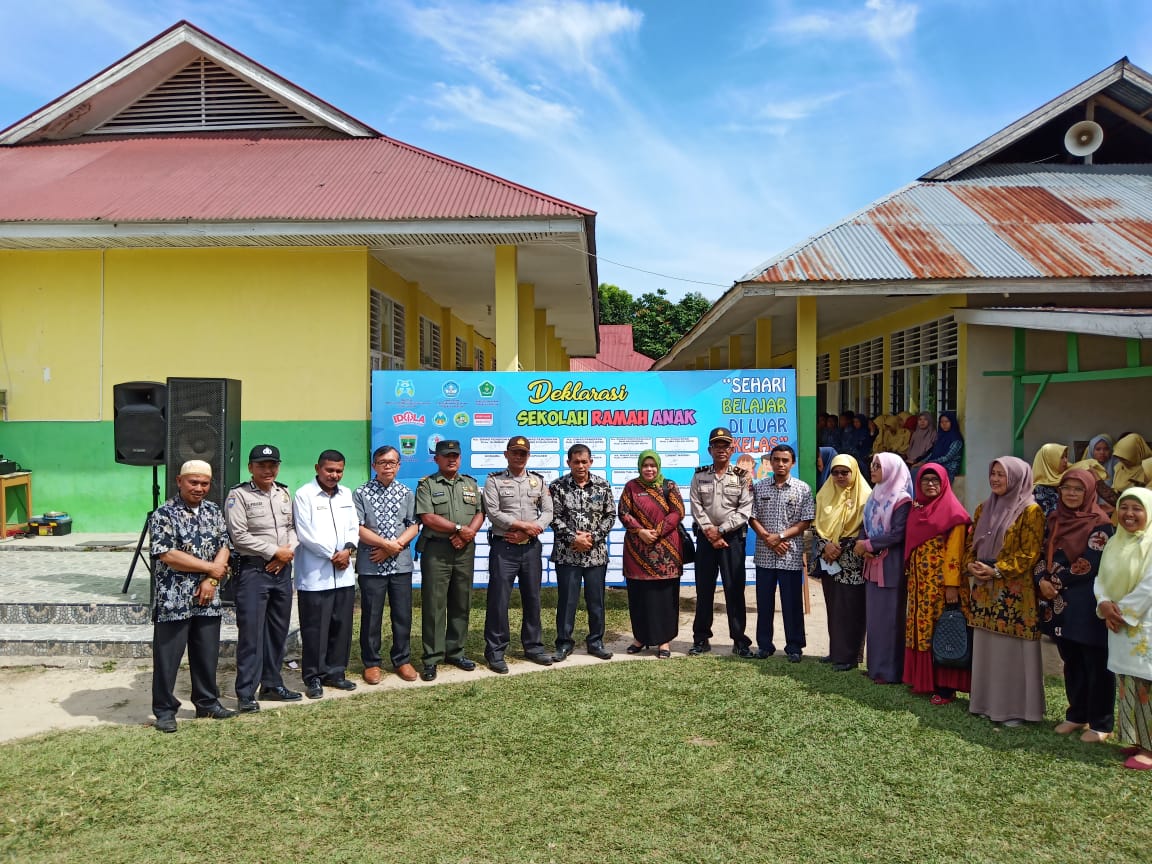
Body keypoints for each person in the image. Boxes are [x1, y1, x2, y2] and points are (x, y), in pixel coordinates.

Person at [150, 460, 236, 732]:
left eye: (204, 483)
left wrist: (211, 578)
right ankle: (164, 710)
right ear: (179, 481)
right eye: (193, 482)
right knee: (168, 657)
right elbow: (167, 554)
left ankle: (206, 703)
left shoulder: (213, 510)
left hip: (207, 596)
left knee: (206, 654)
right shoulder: (164, 513)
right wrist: (211, 568)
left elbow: (225, 544)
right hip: (174, 598)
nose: (199, 488)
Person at [965, 456, 1046, 726]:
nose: (996, 479)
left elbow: (1030, 553)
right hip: (985, 589)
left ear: (1018, 478)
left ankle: (1015, 710)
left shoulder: (1031, 511)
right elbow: (970, 544)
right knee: (987, 648)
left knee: (1011, 651)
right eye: (993, 474)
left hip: (1014, 592)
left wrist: (997, 570)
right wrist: (971, 565)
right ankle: (984, 704)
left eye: (1002, 474)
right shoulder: (983, 508)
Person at [1036, 468, 1115, 742]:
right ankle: (1076, 715)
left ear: (1089, 491)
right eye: (1066, 488)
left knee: (1095, 662)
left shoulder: (1100, 523)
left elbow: (1089, 564)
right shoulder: (1055, 518)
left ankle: (1101, 723)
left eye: (1078, 489)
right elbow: (1040, 552)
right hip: (1059, 602)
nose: (1071, 494)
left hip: (1086, 600)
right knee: (1071, 660)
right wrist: (1040, 580)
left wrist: (1053, 581)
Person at [224, 444, 301, 713]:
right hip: (254, 571)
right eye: (261, 465)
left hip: (281, 570)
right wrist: (274, 552)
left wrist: (286, 553)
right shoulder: (239, 495)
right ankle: (246, 691)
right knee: (251, 635)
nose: (268, 470)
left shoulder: (283, 493)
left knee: (278, 631)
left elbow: (292, 527)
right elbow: (239, 535)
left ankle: (272, 684)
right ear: (250, 468)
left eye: (272, 465)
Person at [414, 440, 485, 681]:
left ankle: (456, 651)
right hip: (438, 550)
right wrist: (458, 529)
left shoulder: (470, 483)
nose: (451, 459)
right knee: (435, 604)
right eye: (446, 456)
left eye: (455, 455)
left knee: (461, 600)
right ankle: (432, 657)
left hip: (464, 549)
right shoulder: (427, 485)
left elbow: (480, 512)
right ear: (437, 459)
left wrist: (467, 534)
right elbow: (427, 517)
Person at [482, 435, 554, 673]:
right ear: (506, 454)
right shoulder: (494, 481)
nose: (519, 456)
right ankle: (495, 651)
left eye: (523, 453)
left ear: (528, 455)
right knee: (499, 600)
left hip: (531, 547)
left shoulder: (538, 481)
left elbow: (548, 512)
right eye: (514, 452)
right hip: (505, 547)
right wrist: (523, 526)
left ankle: (533, 647)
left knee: (532, 598)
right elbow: (492, 512)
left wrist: (532, 532)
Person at [902, 463, 972, 704]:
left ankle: (946, 688)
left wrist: (951, 586)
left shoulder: (954, 513)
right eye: (925, 480)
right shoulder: (917, 510)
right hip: (920, 586)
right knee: (923, 630)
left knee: (944, 630)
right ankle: (925, 681)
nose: (930, 484)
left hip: (942, 587)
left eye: (935, 480)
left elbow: (955, 553)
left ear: (944, 482)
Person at [293, 449, 360, 699]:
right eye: (329, 470)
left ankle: (336, 672)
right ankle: (313, 677)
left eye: (339, 471)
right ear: (317, 468)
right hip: (316, 574)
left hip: (343, 573)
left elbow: (354, 526)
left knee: (341, 625)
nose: (334, 475)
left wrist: (349, 549)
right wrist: (333, 554)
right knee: (314, 629)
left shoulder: (346, 494)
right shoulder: (304, 495)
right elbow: (304, 533)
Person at [1095, 488, 1152, 770]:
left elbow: (1149, 587)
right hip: (1117, 621)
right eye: (1124, 507)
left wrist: (1121, 612)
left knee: (1146, 684)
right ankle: (1136, 739)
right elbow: (1101, 577)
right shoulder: (1115, 541)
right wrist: (1104, 603)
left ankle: (1150, 749)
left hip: (1143, 624)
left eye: (1137, 508)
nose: (1129, 514)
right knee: (1127, 681)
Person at [353, 445, 420, 684]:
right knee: (372, 615)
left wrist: (395, 546)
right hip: (372, 564)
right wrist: (384, 545)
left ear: (399, 465)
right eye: (382, 462)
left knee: (402, 614)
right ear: (374, 465)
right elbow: (358, 528)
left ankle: (402, 659)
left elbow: (414, 524)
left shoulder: (406, 492)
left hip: (400, 565)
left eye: (392, 462)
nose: (387, 466)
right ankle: (371, 663)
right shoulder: (360, 493)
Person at [688, 427, 754, 657]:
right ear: (710, 449)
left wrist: (722, 531)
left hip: (733, 539)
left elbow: (745, 509)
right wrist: (710, 532)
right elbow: (696, 505)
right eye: (717, 445)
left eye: (725, 445)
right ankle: (701, 638)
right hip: (706, 540)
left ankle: (739, 640)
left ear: (732, 449)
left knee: (734, 589)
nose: (721, 450)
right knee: (704, 590)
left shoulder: (741, 476)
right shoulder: (700, 475)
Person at [549, 444, 616, 662]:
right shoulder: (557, 487)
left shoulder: (603, 486)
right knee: (567, 601)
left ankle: (596, 641)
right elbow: (553, 517)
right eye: (576, 461)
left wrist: (592, 538)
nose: (580, 465)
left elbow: (610, 516)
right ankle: (564, 643)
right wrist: (573, 539)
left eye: (584, 461)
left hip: (595, 554)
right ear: (568, 462)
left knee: (596, 601)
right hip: (567, 554)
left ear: (591, 462)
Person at [749, 444, 815, 662]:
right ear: (770, 462)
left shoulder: (802, 488)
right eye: (776, 459)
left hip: (791, 555)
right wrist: (769, 538)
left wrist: (781, 537)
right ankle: (765, 645)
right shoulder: (759, 488)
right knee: (764, 603)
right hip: (765, 555)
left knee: (792, 603)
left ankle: (794, 646)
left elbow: (806, 520)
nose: (780, 464)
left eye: (785, 460)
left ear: (792, 463)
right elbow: (752, 517)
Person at [617, 450, 685, 658]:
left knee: (665, 598)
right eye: (645, 465)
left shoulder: (669, 486)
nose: (649, 469)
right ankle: (640, 638)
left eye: (652, 465)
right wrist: (640, 531)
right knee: (639, 596)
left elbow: (678, 511)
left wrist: (658, 531)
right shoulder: (631, 487)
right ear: (640, 467)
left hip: (666, 552)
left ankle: (664, 641)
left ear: (658, 466)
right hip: (638, 551)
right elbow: (623, 512)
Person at [855, 452, 912, 684]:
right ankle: (875, 668)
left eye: (878, 466)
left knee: (890, 620)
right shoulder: (875, 495)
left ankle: (890, 671)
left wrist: (868, 544)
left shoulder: (902, 499)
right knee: (875, 619)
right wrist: (862, 545)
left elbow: (898, 534)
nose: (873, 469)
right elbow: (865, 523)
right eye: (872, 465)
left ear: (891, 469)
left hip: (891, 565)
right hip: (872, 561)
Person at [810, 454, 869, 671]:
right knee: (833, 606)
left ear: (854, 472)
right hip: (829, 560)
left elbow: (866, 529)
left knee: (851, 608)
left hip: (852, 561)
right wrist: (826, 545)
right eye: (835, 472)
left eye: (845, 472)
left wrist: (839, 547)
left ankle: (852, 656)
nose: (840, 476)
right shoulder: (824, 494)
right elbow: (815, 525)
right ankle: (836, 651)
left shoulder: (866, 496)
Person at [1031, 443, 1069, 517]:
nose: (1066, 460)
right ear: (1049, 461)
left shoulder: (1065, 478)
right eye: (1061, 457)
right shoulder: (1039, 489)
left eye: (1066, 456)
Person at [925, 411, 964, 480]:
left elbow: (947, 458)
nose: (944, 424)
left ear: (952, 422)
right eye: (942, 422)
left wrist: (930, 462)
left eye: (947, 421)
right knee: (916, 470)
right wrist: (923, 462)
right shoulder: (940, 437)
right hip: (937, 465)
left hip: (949, 469)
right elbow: (933, 453)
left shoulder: (956, 439)